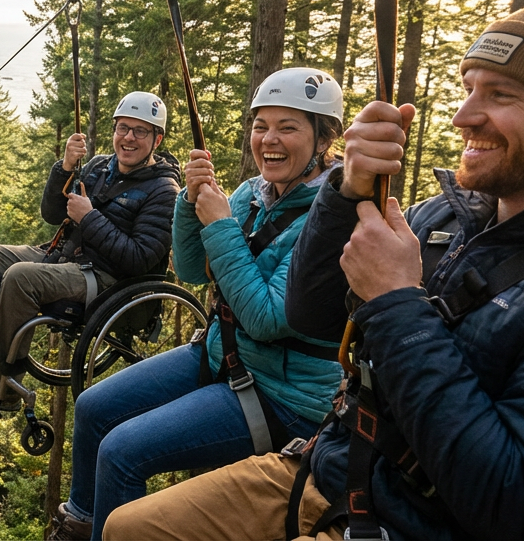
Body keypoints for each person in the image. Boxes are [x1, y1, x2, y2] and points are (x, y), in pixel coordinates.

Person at [103, 0, 524, 541]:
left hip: (410, 518)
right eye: (468, 90)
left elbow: (518, 503)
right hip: (335, 470)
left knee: (125, 457)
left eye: (501, 94)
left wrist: (396, 302)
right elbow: (315, 313)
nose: (463, 115)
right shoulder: (445, 218)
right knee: (129, 528)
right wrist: (345, 191)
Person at [48, 69, 346, 541]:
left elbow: (268, 319)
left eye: (288, 127)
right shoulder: (253, 195)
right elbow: (188, 268)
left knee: (122, 451)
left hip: (282, 397)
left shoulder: (330, 218)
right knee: (92, 407)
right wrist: (191, 203)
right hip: (220, 355)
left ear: (324, 138)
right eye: (261, 125)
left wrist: (221, 226)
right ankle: (83, 523)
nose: (269, 139)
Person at [0, 92, 182, 417]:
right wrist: (65, 167)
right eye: (123, 128)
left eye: (140, 131)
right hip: (67, 258)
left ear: (157, 138)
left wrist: (90, 218)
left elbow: (138, 258)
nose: (128, 138)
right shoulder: (98, 167)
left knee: (20, 278)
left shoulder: (164, 191)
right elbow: (52, 214)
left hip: (106, 279)